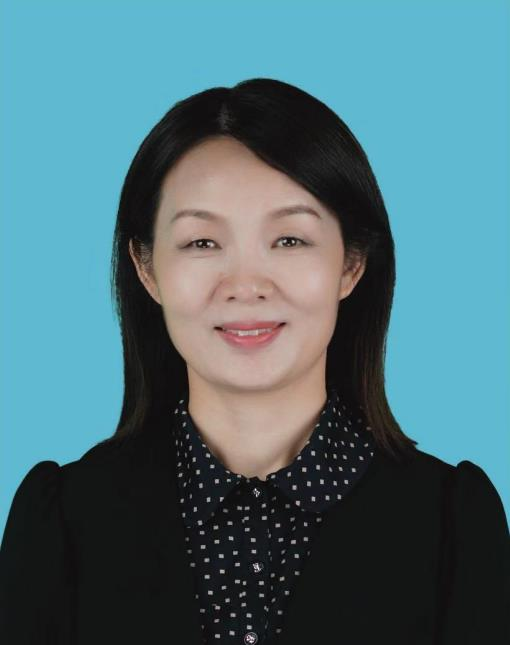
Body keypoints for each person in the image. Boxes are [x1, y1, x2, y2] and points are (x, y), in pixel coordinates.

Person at [0, 78, 508, 645]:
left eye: (290, 240)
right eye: (202, 243)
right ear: (146, 267)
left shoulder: (452, 525)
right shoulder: (62, 523)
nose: (245, 285)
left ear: (351, 263)